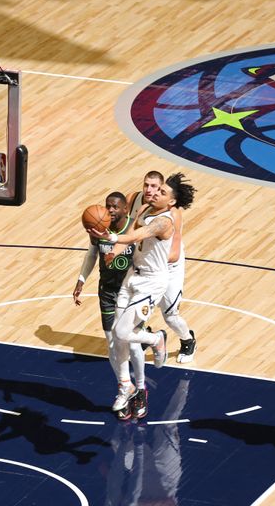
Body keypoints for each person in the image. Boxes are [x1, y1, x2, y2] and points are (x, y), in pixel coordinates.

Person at [91, 173, 196, 418]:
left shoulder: (165, 221)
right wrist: (115, 251)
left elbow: (138, 235)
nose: (155, 193)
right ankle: (125, 385)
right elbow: (131, 230)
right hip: (133, 275)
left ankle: (157, 338)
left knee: (121, 332)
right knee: (120, 339)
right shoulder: (145, 208)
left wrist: (111, 238)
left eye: (161, 192)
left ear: (171, 202)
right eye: (155, 190)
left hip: (152, 281)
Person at [73, 192, 137, 417]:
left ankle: (138, 386)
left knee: (129, 342)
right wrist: (81, 280)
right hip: (107, 292)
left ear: (125, 210)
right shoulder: (98, 229)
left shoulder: (132, 229)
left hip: (130, 293)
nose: (110, 210)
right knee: (112, 344)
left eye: (115, 207)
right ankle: (125, 385)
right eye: (108, 206)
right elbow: (92, 254)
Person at [128, 171, 197, 364]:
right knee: (132, 303)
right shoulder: (137, 202)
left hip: (169, 267)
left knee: (170, 315)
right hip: (146, 265)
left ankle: (187, 340)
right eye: (148, 186)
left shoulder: (172, 215)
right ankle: (144, 334)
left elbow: (173, 253)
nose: (152, 191)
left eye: (157, 188)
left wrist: (148, 257)